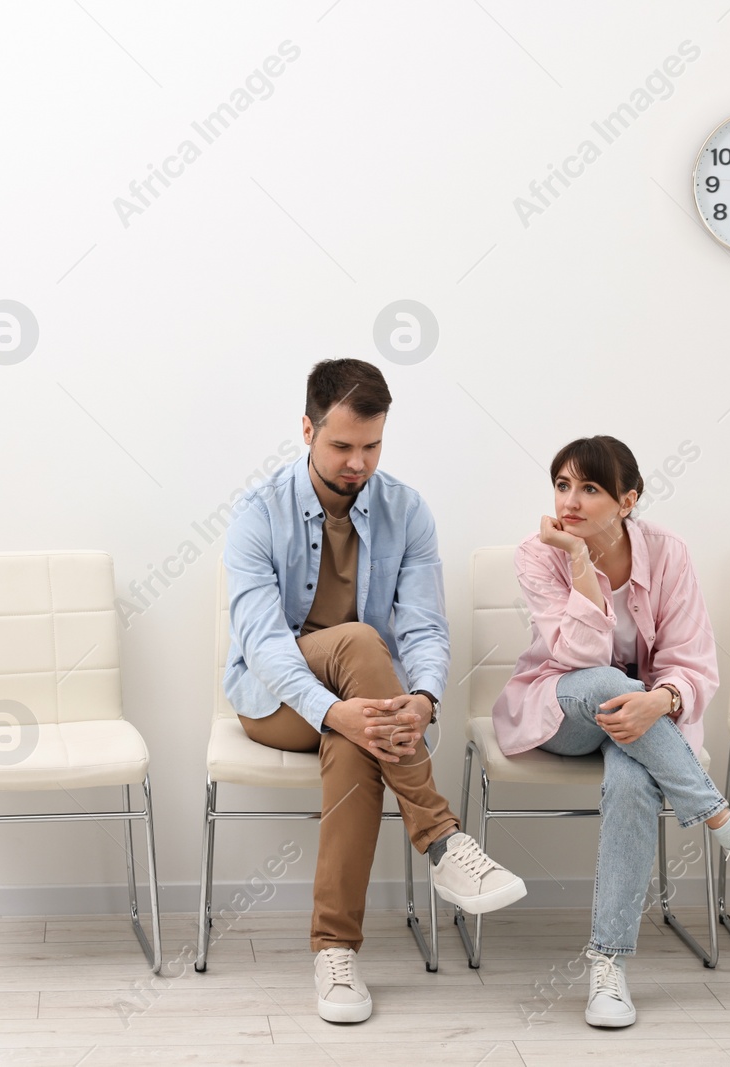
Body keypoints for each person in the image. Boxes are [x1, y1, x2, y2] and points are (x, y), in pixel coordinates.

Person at [223, 358, 525, 1025]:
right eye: (341, 445)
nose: (357, 462)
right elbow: (265, 645)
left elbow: (424, 626)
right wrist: (334, 709)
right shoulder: (254, 513)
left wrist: (420, 700)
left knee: (360, 739)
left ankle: (335, 952)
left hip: (371, 704)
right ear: (306, 428)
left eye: (372, 445)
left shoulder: (407, 510)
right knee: (360, 642)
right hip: (276, 702)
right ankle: (443, 840)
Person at [492, 435, 730, 1028]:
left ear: (627, 499)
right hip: (561, 708)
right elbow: (579, 655)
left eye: (589, 488)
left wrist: (657, 702)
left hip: (649, 725)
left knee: (635, 787)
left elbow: (693, 660)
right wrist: (581, 561)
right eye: (562, 485)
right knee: (597, 680)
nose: (570, 500)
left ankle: (607, 967)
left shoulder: (668, 552)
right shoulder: (539, 553)